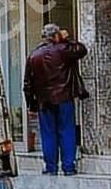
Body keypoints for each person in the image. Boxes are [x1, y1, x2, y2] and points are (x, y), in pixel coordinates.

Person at [23, 23, 88, 176]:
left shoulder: (34, 56)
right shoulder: (63, 50)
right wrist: (68, 39)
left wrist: (31, 105)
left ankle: (51, 167)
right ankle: (68, 166)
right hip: (64, 97)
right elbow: (81, 50)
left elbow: (27, 84)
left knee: (48, 133)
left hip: (44, 101)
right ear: (56, 36)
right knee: (67, 130)